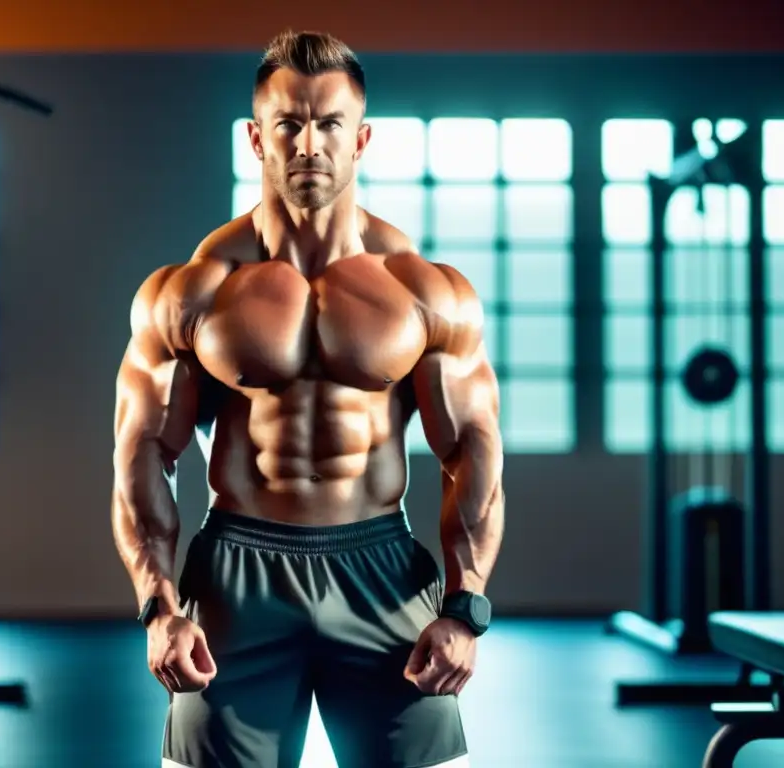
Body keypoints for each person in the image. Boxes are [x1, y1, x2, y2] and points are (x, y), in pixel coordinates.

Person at [112, 29, 505, 768]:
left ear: (361, 139)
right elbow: (141, 456)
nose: (308, 144)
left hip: (381, 568)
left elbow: (473, 453)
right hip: (237, 574)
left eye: (328, 125)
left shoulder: (424, 291)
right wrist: (160, 610)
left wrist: (464, 608)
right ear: (256, 139)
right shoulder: (191, 291)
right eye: (288, 124)